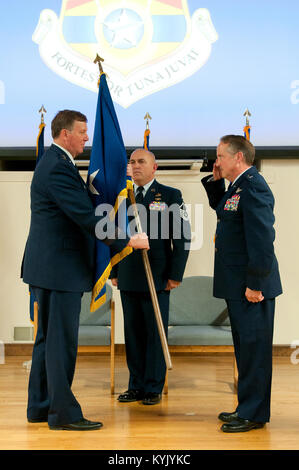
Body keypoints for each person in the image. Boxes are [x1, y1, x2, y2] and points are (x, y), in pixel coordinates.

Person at [21, 110, 149, 431]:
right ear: (65, 135)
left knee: (47, 341)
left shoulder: (57, 164)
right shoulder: (57, 168)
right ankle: (63, 414)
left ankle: (40, 406)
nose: (86, 138)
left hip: (50, 268)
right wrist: (127, 240)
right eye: (81, 132)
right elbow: (85, 217)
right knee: (60, 343)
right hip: (58, 270)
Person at [201, 135, 282, 433]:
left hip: (251, 286)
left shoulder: (254, 186)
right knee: (245, 350)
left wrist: (256, 283)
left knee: (254, 350)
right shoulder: (238, 186)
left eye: (220, 156)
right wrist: (215, 178)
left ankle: (254, 414)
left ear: (238, 158)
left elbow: (262, 240)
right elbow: (223, 210)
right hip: (238, 284)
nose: (216, 161)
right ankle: (246, 406)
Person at [110, 148, 191, 405]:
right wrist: (114, 269)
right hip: (129, 274)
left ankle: (153, 386)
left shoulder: (169, 195)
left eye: (141, 161)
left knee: (155, 332)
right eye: (132, 162)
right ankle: (136, 385)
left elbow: (182, 237)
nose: (135, 166)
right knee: (132, 333)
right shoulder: (123, 197)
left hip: (157, 275)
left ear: (154, 167)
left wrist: (176, 274)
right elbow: (113, 236)